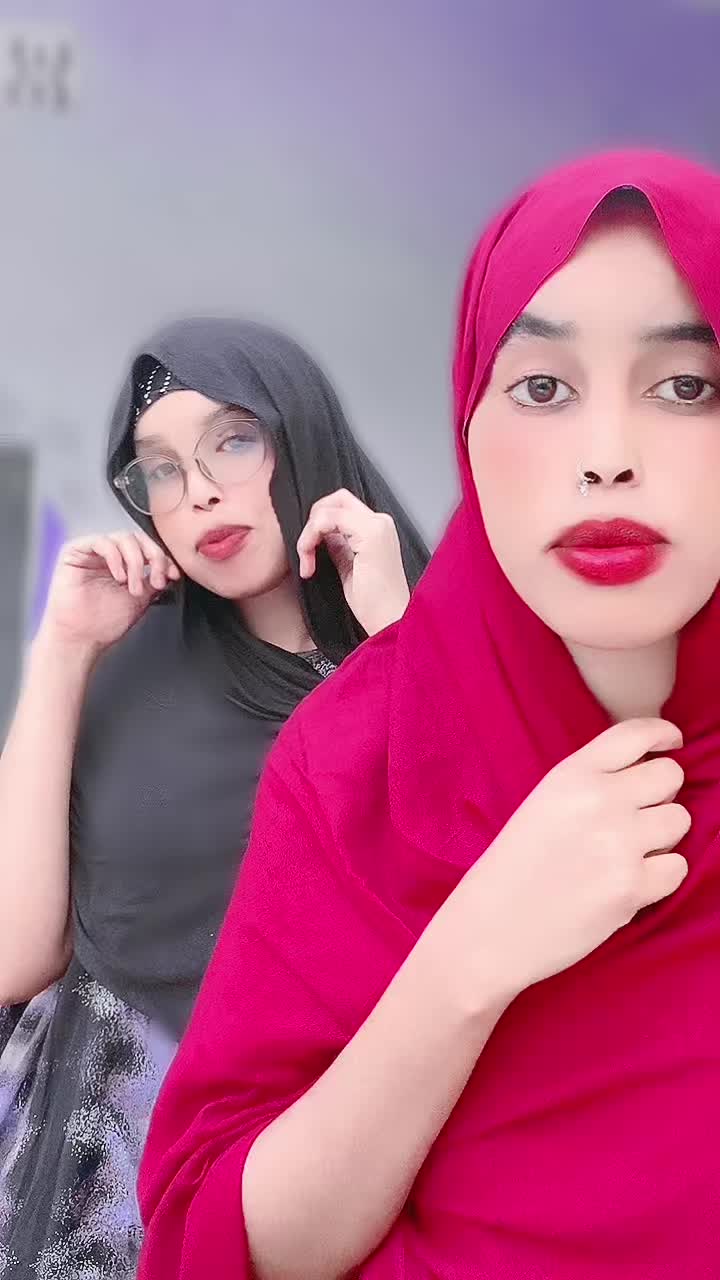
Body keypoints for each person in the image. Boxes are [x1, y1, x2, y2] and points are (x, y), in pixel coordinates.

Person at [137, 150, 720, 1280]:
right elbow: (223, 1232)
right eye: (541, 388)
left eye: (685, 386)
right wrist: (468, 955)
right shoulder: (352, 758)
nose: (609, 460)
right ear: (468, 420)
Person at [0, 317, 429, 1278]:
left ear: (303, 432)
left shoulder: (438, 642)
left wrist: (399, 637)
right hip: (110, 1182)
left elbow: (479, 885)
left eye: (233, 441)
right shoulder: (125, 665)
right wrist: (63, 651)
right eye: (160, 468)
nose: (197, 491)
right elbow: (14, 955)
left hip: (345, 1162)